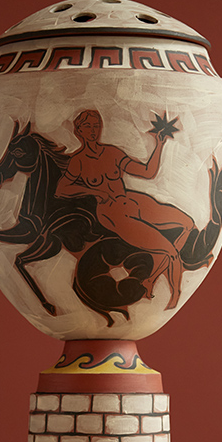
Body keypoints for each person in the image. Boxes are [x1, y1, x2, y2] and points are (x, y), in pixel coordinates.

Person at [55, 109, 193, 309]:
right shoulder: (79, 161)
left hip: (130, 200)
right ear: (79, 131)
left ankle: (152, 276)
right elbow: (62, 189)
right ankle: (174, 297)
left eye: (96, 126)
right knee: (171, 252)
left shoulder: (112, 152)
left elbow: (147, 172)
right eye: (87, 126)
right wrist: (93, 191)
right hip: (111, 212)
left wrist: (159, 145)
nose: (93, 131)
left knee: (188, 224)